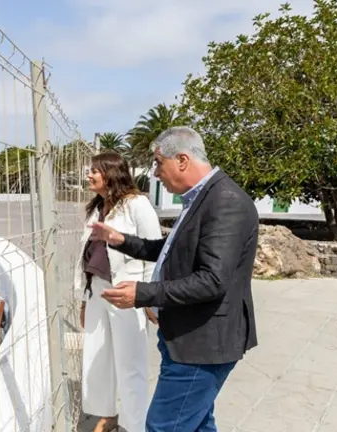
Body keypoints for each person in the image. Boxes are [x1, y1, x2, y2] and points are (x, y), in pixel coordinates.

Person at [90, 126, 259, 432]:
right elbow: (171, 250)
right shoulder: (201, 197)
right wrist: (121, 240)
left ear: (182, 160)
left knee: (163, 426)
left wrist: (144, 293)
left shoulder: (225, 201)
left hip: (202, 345)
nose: (155, 173)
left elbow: (212, 280)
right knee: (198, 424)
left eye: (158, 163)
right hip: (188, 337)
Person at [73, 152, 163, 432]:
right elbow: (87, 255)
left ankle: (135, 425)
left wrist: (148, 296)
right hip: (97, 291)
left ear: (111, 173)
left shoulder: (137, 204)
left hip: (127, 292)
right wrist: (84, 300)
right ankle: (108, 414)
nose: (89, 175)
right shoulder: (97, 207)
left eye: (94, 171)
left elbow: (154, 252)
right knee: (97, 359)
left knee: (130, 363)